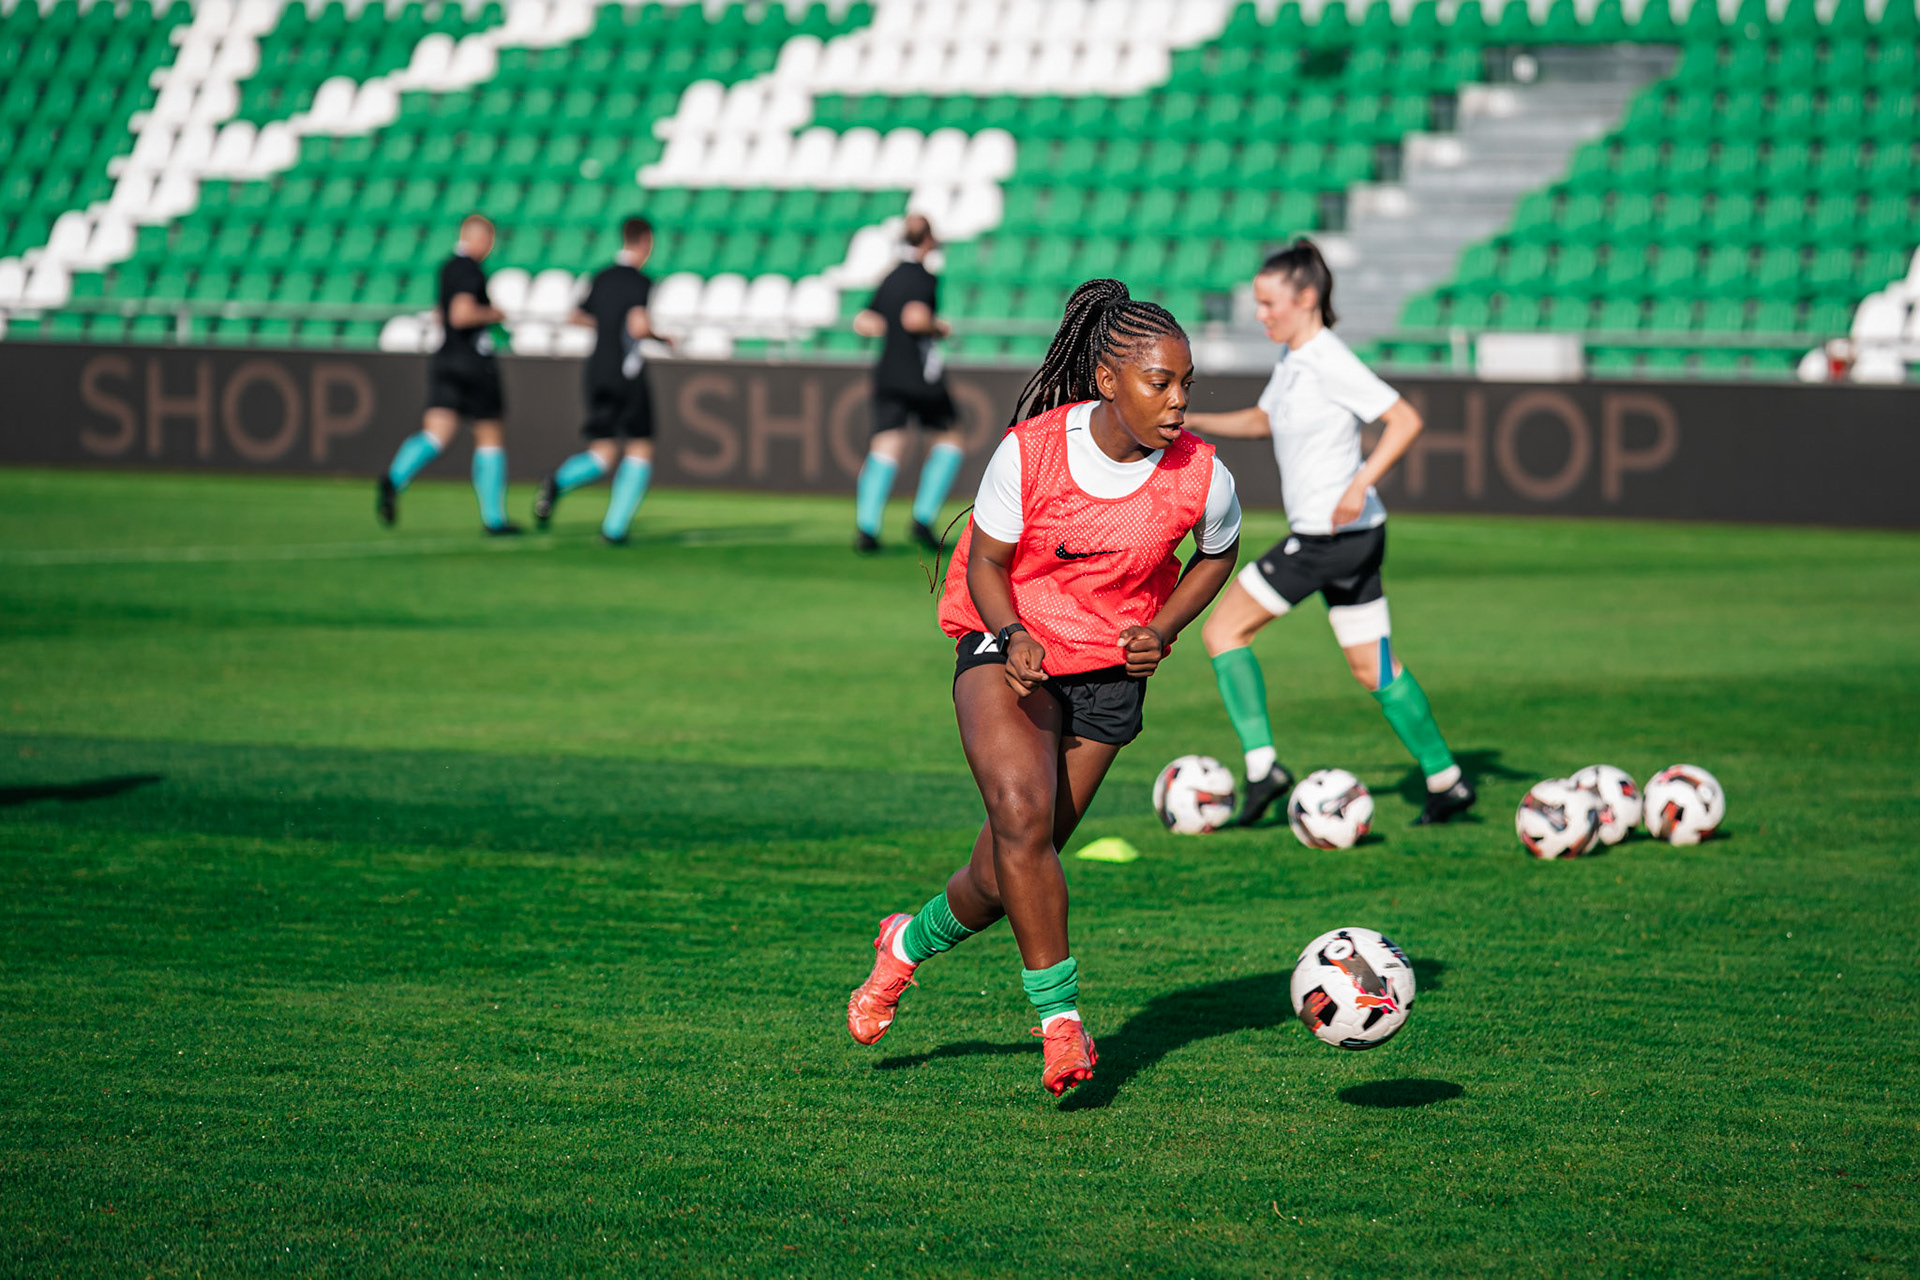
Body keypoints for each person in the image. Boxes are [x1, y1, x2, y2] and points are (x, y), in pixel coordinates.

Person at [846, 281, 1243, 1097]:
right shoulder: (1031, 451)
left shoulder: (1203, 474)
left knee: (1006, 872)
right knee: (1022, 820)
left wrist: (1162, 629)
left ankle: (905, 946)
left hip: (1106, 674)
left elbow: (1217, 556)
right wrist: (1014, 634)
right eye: (1159, 382)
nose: (1177, 402)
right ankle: (1060, 1025)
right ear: (1107, 379)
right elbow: (987, 564)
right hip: (1007, 648)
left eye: (1186, 384)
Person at [1185, 240, 1475, 828]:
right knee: (1374, 669)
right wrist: (1190, 424)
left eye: (1269, 302)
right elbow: (1263, 419)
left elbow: (1405, 419)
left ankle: (1264, 767)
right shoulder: (1295, 360)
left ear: (1307, 297)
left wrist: (1359, 480)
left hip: (1326, 539)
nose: (1261, 313)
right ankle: (1447, 780)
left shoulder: (1327, 357)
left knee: (1221, 630)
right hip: (1355, 537)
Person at [376, 213, 520, 535]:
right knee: (489, 436)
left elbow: (443, 312)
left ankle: (395, 478)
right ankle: (493, 518)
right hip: (472, 363)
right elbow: (460, 314)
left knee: (436, 434)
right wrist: (493, 313)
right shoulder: (471, 270)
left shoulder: (447, 268)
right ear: (479, 238)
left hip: (444, 359)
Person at [532, 217, 667, 544]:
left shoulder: (602, 276)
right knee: (639, 447)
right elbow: (637, 326)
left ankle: (557, 482)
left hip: (596, 371)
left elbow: (575, 316)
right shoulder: (639, 281)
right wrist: (662, 337)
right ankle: (614, 528)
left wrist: (606, 326)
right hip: (626, 372)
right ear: (646, 241)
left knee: (602, 453)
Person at [850, 213, 964, 554]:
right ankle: (922, 518)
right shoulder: (923, 278)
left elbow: (864, 321)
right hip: (920, 375)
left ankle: (867, 528)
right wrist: (938, 328)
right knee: (950, 440)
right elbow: (914, 318)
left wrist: (892, 332)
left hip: (887, 371)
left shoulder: (890, 276)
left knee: (885, 446)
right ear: (928, 240)